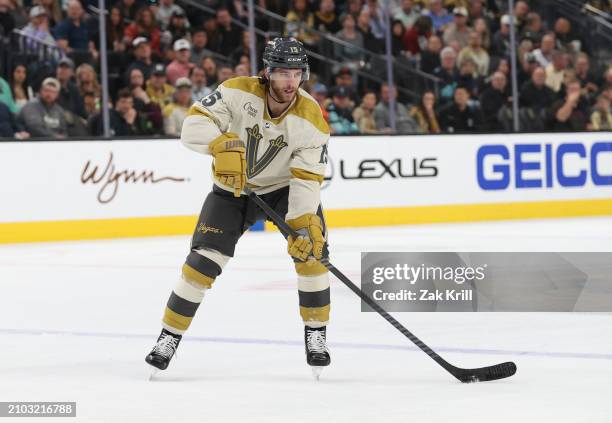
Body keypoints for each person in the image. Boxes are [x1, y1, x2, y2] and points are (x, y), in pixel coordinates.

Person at [145, 38, 332, 376]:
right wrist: (220, 144)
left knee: (312, 256)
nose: (291, 82)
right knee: (201, 264)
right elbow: (192, 126)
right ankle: (168, 337)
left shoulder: (311, 118)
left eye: (297, 74)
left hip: (284, 190)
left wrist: (305, 221)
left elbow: (306, 179)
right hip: (231, 190)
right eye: (283, 74)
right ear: (267, 72)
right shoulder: (235, 91)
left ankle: (316, 334)